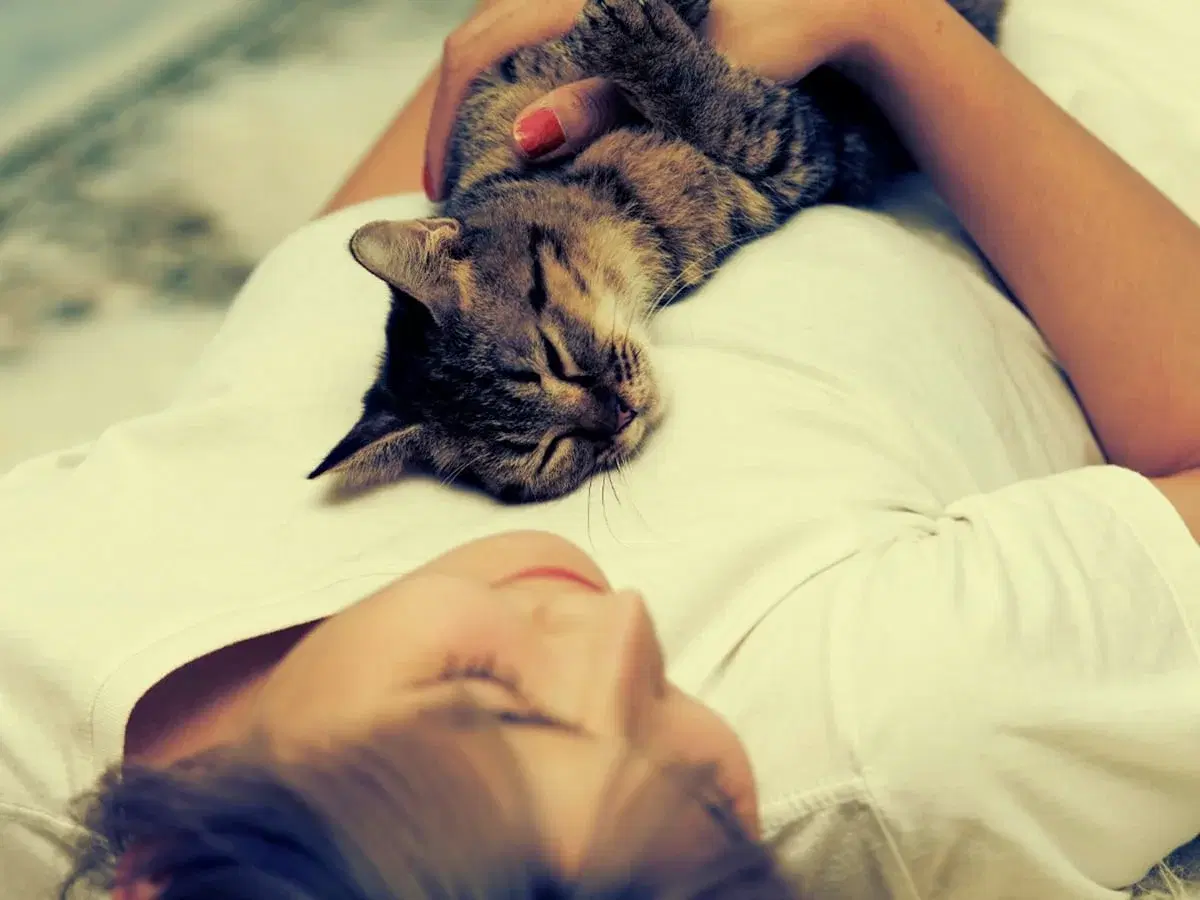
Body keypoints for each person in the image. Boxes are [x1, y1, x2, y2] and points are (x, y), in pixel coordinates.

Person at [1, 0, 1197, 897]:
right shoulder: (886, 737)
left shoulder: (29, 641)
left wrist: (524, 54)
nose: (623, 626)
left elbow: (339, 274)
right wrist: (897, 28)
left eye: (487, 700)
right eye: (704, 791)